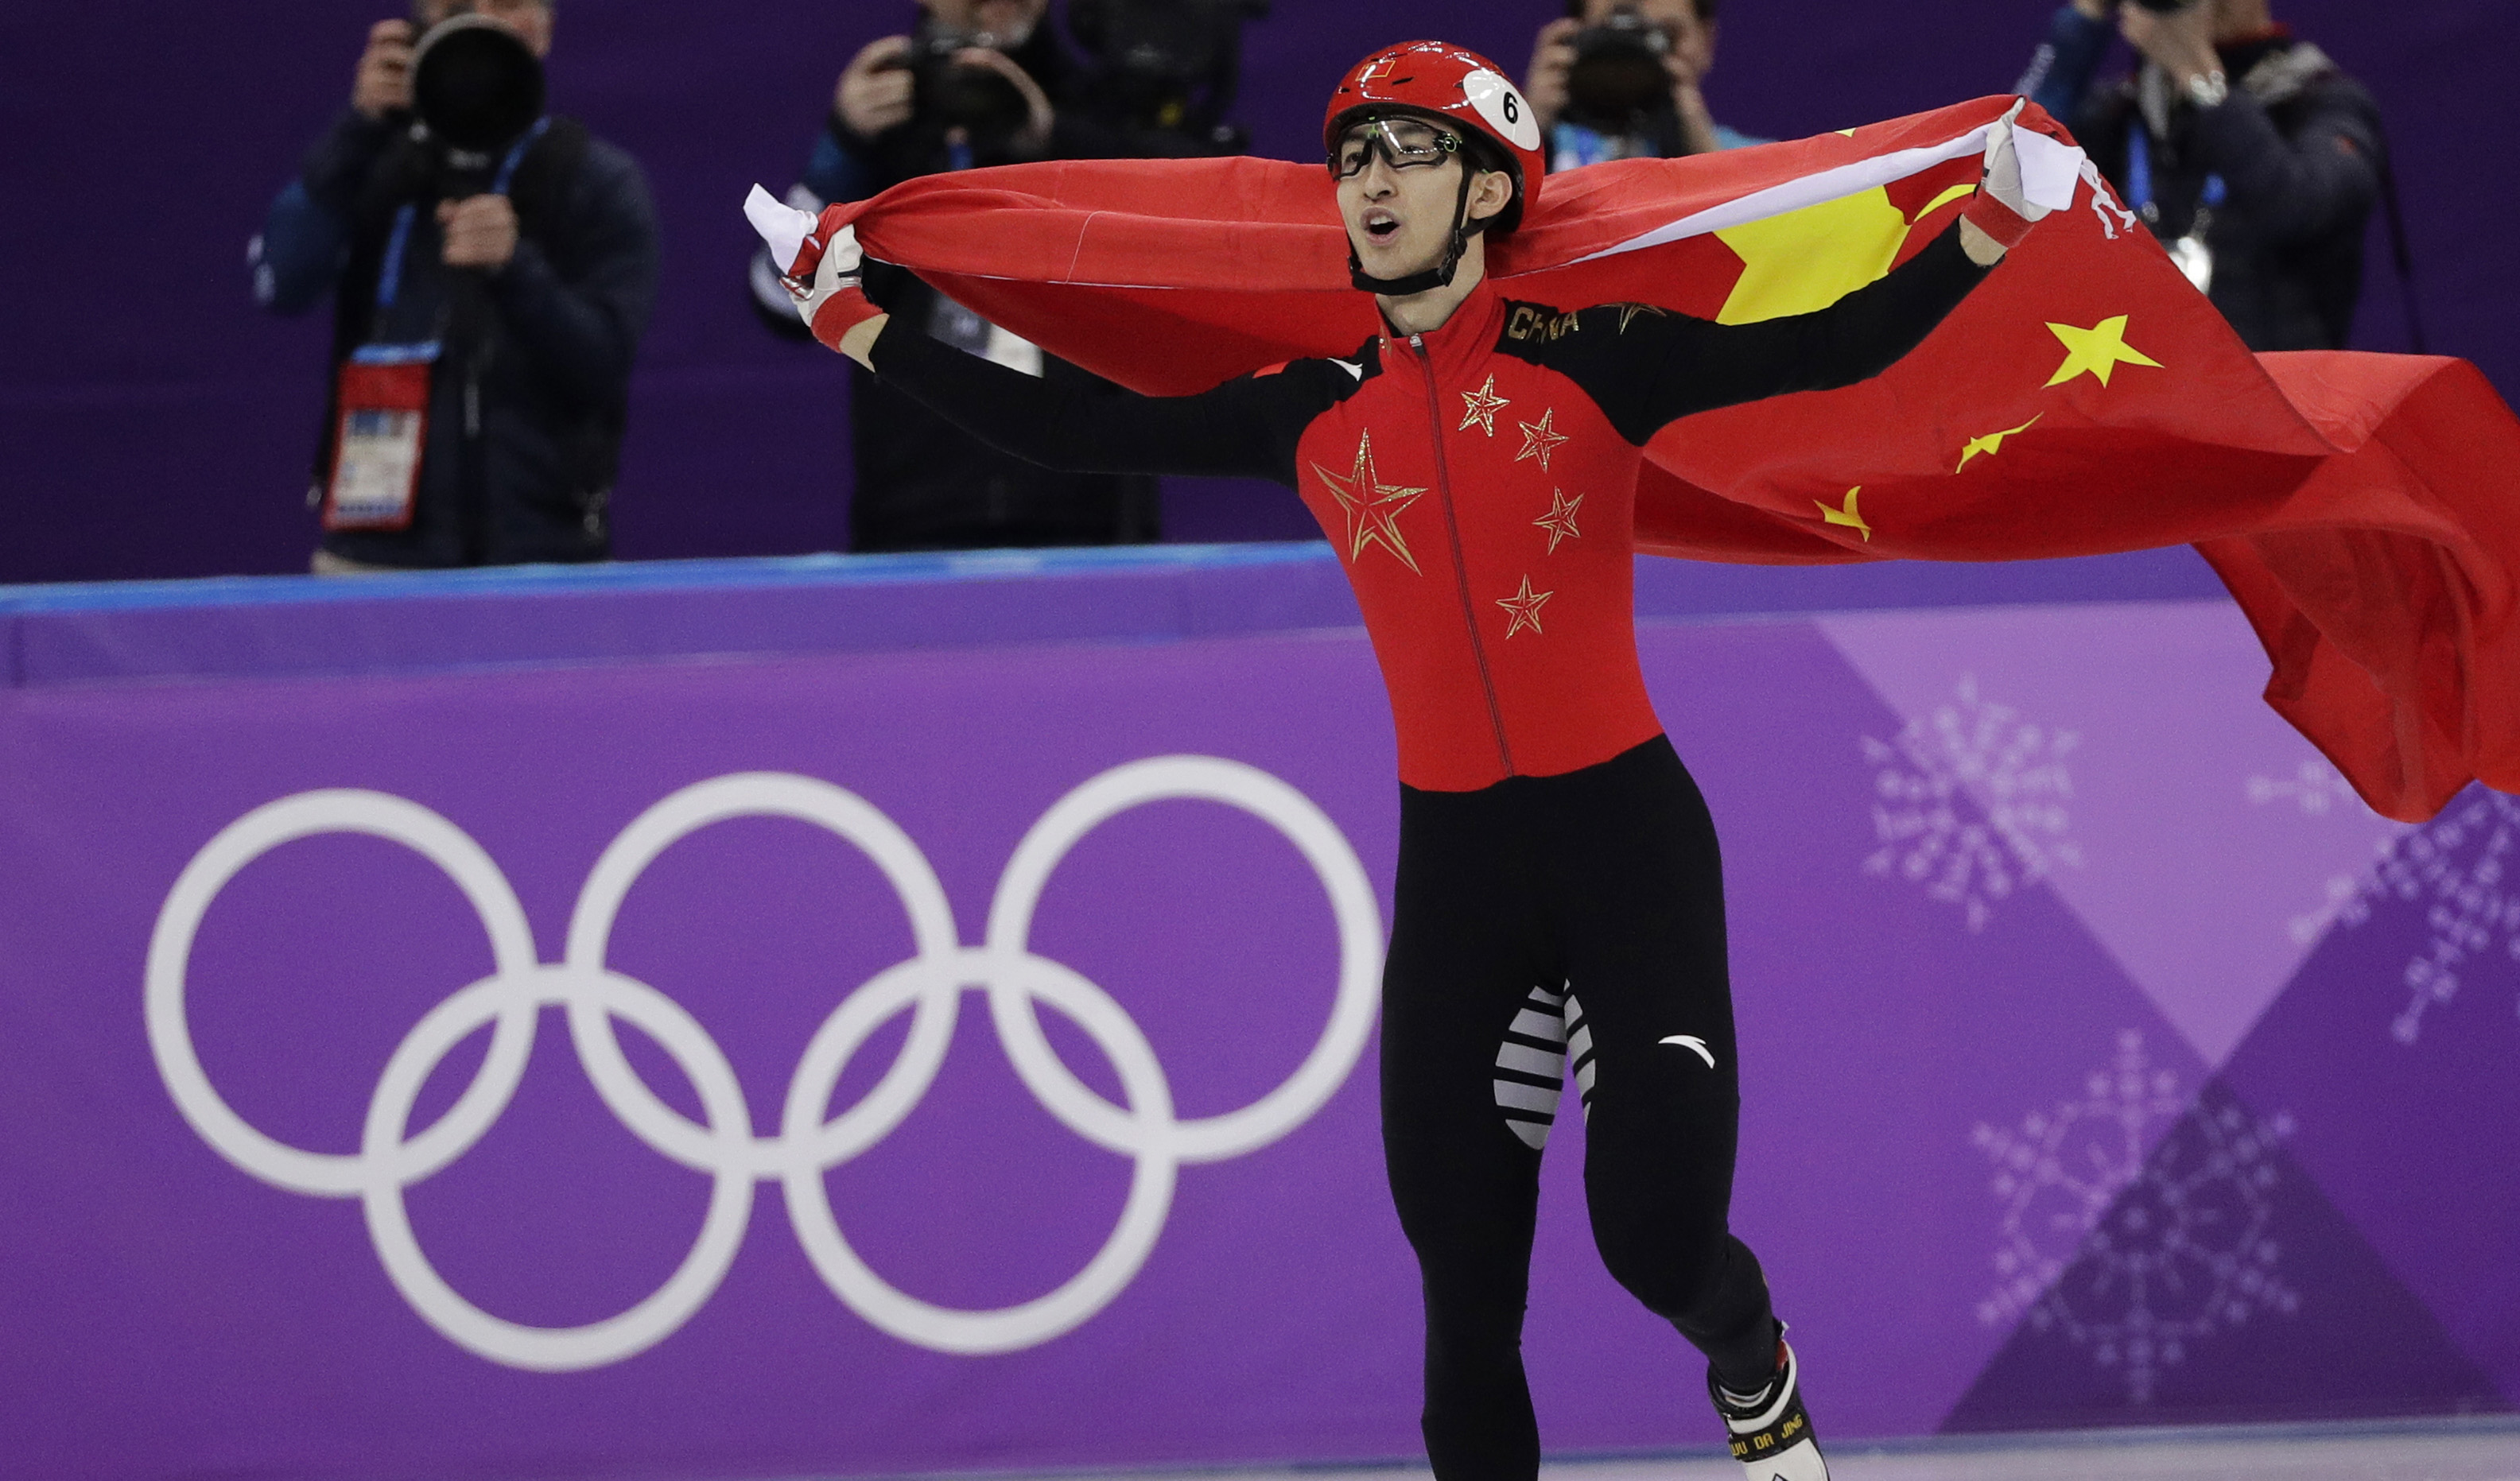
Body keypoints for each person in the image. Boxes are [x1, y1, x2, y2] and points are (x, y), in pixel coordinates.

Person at [768, 41, 2052, 1481]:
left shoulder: (1601, 351)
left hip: (1625, 844)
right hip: (1462, 876)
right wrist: (865, 327)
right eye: (1354, 160)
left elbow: (1829, 344)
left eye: (1411, 155)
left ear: (1493, 188)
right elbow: (1073, 424)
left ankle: (1754, 1366)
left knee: (1652, 1234)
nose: (1373, 184)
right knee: (1464, 1293)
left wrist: (1989, 232)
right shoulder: (1309, 403)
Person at [747, 0, 1185, 552]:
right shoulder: (887, 124)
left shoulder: (1112, 111)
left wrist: (1059, 143)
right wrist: (843, 151)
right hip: (916, 517)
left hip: (1089, 514)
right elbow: (782, 301)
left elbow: (1185, 284)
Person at [250, 0, 658, 572]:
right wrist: (358, 127)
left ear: (544, 27)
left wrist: (516, 270)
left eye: (509, 3)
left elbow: (601, 363)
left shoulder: (596, 180)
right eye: (459, 6)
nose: (485, 19)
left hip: (549, 561)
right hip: (372, 562)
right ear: (421, 26)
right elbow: (281, 282)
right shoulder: (369, 163)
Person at [2016, 0, 2382, 351]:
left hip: (2282, 394)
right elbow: (2012, 171)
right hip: (2153, 397)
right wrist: (2086, 18)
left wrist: (2199, 76)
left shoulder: (2318, 98)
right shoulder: (2126, 113)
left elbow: (2295, 207)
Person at [1522, 0, 1769, 172]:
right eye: (1616, 34)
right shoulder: (1527, 154)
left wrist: (1706, 157)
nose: (1638, 54)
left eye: (1665, 36)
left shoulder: (1763, 165)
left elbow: (1764, 239)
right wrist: (1522, 132)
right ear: (1572, 35)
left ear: (1706, 40)